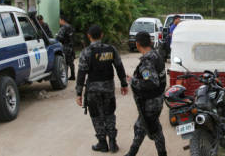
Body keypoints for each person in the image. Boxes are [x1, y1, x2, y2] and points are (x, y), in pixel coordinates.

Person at [76, 25, 129, 153]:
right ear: (102, 35)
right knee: (109, 114)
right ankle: (113, 142)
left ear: (89, 36)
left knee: (96, 116)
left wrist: (79, 93)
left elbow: (81, 73)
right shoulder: (111, 49)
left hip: (93, 90)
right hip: (109, 89)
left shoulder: (86, 52)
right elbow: (119, 67)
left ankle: (102, 143)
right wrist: (123, 84)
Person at [125, 32, 167, 156]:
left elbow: (151, 83)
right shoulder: (156, 55)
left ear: (137, 44)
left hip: (150, 102)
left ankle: (160, 154)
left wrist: (133, 81)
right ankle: (132, 152)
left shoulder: (147, 61)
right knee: (144, 126)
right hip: (156, 100)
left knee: (150, 128)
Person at [56, 14, 75, 80]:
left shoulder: (63, 27)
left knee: (65, 62)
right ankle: (73, 75)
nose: (59, 22)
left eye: (59, 20)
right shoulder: (71, 27)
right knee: (71, 62)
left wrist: (57, 36)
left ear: (62, 20)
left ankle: (65, 76)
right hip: (71, 46)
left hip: (65, 46)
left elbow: (59, 37)